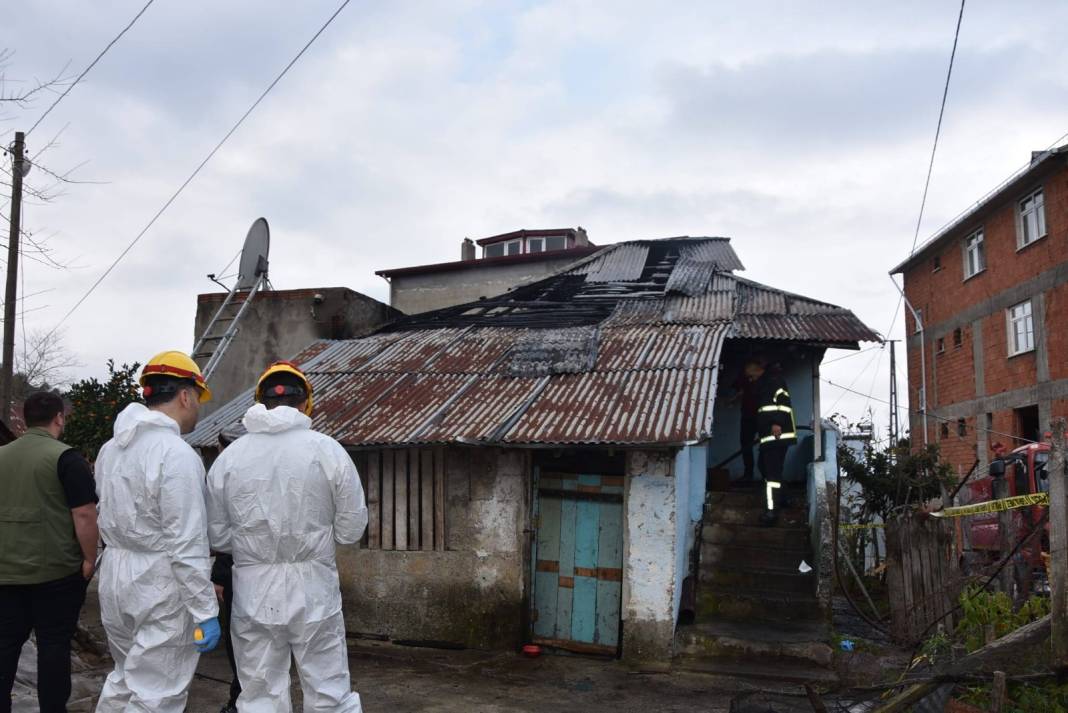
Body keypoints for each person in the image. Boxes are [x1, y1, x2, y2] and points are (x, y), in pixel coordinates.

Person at [206, 361, 367, 712]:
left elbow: (217, 536)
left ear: (259, 402)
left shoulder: (230, 459)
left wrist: (254, 549)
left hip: (253, 587)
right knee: (328, 689)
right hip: (314, 586)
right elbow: (352, 529)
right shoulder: (327, 450)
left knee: (259, 693)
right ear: (305, 402)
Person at [94, 351, 220, 712]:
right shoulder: (176, 454)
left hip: (116, 576)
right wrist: (204, 609)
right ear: (186, 396)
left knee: (124, 677)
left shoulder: (110, 450)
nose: (198, 409)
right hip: (159, 584)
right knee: (157, 693)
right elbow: (186, 543)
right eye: (198, 400)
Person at [0, 391, 98, 713]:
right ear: (59, 418)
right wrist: (89, 558)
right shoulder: (67, 459)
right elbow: (84, 514)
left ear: (24, 419)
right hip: (55, 574)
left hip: (5, 573)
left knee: (4, 647)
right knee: (53, 648)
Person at [747, 359, 797, 526]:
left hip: (777, 435)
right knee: (764, 467)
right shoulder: (764, 384)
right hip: (768, 437)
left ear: (758, 369)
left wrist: (777, 423)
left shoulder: (774, 380)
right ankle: (786, 498)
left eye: (750, 375)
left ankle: (772, 511)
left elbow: (784, 405)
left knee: (771, 474)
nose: (750, 379)